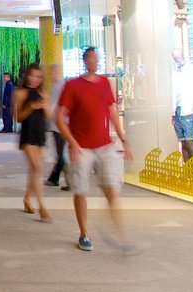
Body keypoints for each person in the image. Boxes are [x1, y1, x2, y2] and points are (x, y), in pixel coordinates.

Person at [57, 47, 132, 252]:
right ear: (85, 61)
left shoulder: (104, 84)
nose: (95, 62)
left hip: (105, 145)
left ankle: (123, 236)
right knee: (80, 190)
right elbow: (60, 117)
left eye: (97, 58)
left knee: (112, 188)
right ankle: (84, 233)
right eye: (91, 58)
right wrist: (72, 142)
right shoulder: (73, 85)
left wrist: (123, 139)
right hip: (82, 147)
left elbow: (112, 112)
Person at [15, 63, 52, 222]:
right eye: (32, 76)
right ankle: (42, 208)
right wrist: (30, 107)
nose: (35, 79)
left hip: (40, 132)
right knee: (37, 168)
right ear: (27, 76)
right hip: (28, 133)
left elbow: (49, 116)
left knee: (34, 170)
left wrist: (44, 106)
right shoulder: (20, 93)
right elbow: (19, 117)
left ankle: (27, 199)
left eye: (38, 77)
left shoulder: (44, 93)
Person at [171, 48, 193, 162]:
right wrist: (173, 113)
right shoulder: (175, 72)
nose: (177, 60)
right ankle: (189, 173)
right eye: (175, 58)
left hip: (189, 110)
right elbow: (174, 93)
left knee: (190, 142)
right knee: (184, 143)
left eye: (178, 57)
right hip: (178, 111)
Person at [44, 64, 69, 190]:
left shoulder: (59, 86)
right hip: (60, 123)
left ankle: (58, 178)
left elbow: (53, 105)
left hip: (58, 124)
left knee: (60, 152)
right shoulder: (60, 85)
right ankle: (55, 177)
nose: (49, 74)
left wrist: (50, 115)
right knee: (61, 152)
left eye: (51, 72)